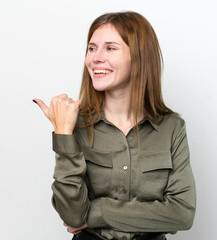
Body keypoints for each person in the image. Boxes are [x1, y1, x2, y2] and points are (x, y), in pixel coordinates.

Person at [33, 11, 196, 240]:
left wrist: (97, 211)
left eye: (110, 48)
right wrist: (63, 134)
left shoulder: (172, 127)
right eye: (91, 48)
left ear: (139, 57)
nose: (95, 58)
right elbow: (72, 216)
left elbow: (182, 214)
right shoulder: (74, 124)